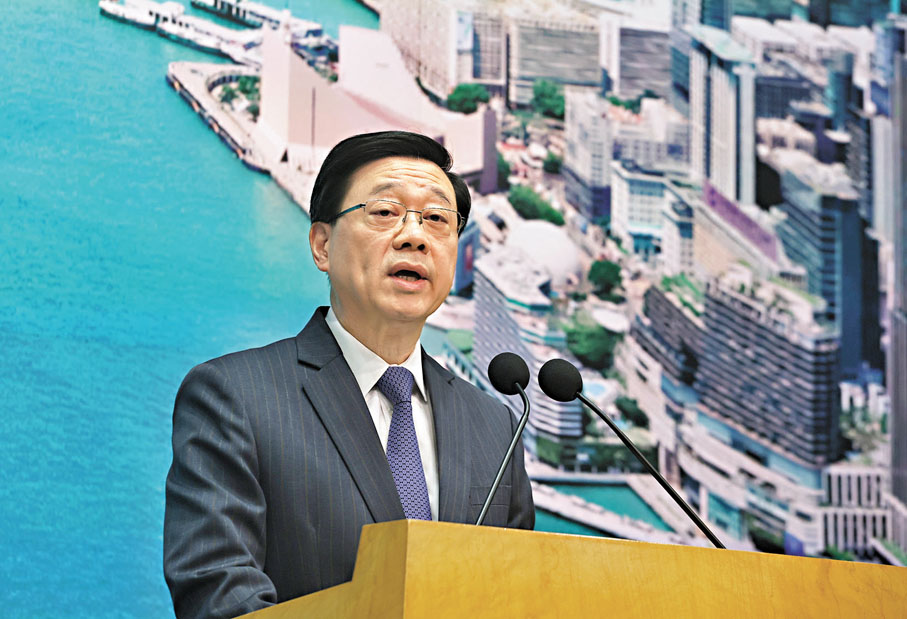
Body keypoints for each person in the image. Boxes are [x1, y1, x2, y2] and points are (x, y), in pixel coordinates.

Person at [163, 131, 535, 618]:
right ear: (322, 245)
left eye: (437, 219)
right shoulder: (234, 398)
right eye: (384, 212)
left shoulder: (495, 426)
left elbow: (518, 595)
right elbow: (219, 594)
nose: (414, 236)